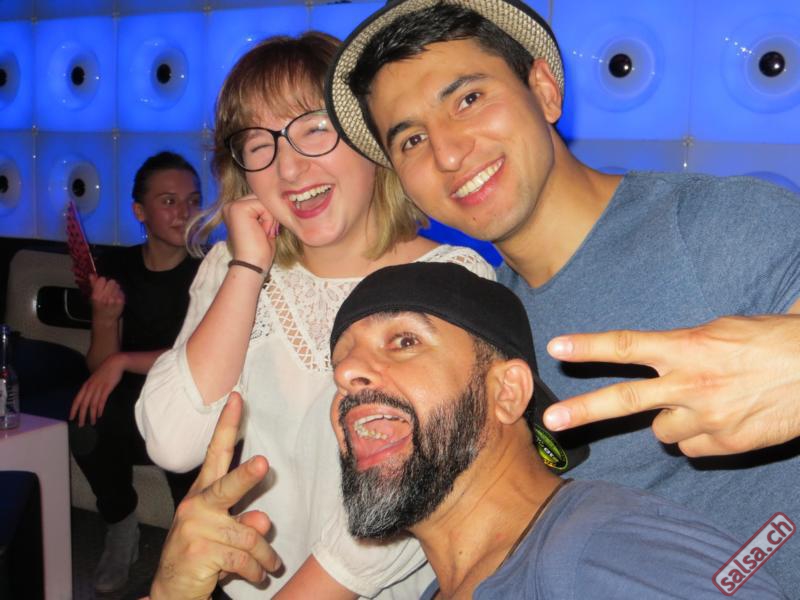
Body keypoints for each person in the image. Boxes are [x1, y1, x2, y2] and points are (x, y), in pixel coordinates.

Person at [325, 0, 800, 594]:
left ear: (545, 92)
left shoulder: (711, 226)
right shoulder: (484, 331)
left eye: (468, 99)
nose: (447, 153)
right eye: (413, 139)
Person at [148, 263, 787, 599]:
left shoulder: (599, 551)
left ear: (506, 392)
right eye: (341, 365)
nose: (348, 376)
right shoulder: (455, 584)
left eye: (404, 341)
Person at [135, 32, 501, 599]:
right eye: (258, 143)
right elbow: (172, 442)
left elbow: (421, 491)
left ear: (368, 134)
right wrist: (247, 269)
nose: (289, 168)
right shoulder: (231, 269)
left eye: (314, 129)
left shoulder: (451, 280)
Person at [68, 150, 203, 593]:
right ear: (139, 212)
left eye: (193, 200)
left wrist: (122, 361)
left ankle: (190, 548)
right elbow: (98, 364)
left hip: (189, 393)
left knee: (182, 427)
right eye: (168, 201)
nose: (184, 212)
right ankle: (121, 524)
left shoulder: (210, 269)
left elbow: (198, 355)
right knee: (84, 419)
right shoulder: (117, 268)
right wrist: (105, 320)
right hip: (130, 401)